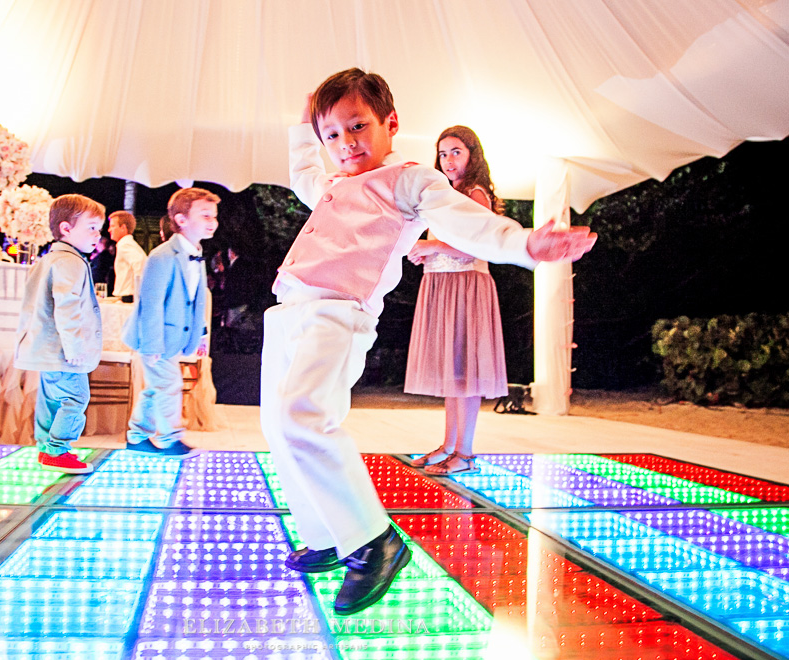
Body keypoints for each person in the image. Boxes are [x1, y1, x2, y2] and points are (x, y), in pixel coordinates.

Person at [262, 68, 596, 616]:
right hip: (289, 313)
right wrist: (304, 129)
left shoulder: (411, 181)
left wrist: (527, 244)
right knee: (278, 426)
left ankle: (374, 541)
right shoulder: (331, 184)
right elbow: (304, 171)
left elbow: (468, 223)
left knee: (304, 418)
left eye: (358, 126)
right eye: (333, 135)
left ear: (391, 123)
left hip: (337, 313)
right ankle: (326, 533)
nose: (346, 144)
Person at [405, 126, 507, 476]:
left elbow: (478, 245)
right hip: (443, 283)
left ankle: (464, 453)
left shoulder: (475, 193)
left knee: (465, 371)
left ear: (472, 154)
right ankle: (448, 445)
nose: (448, 160)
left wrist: (430, 247)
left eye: (456, 152)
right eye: (443, 153)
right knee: (453, 371)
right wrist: (426, 254)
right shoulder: (448, 193)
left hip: (465, 285)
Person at [121, 188, 218, 458]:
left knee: (156, 388)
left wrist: (199, 336)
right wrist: (152, 344)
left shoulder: (196, 255)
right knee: (169, 385)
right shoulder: (162, 256)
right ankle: (168, 439)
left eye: (214, 216)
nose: (213, 221)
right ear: (181, 219)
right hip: (157, 338)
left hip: (175, 337)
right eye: (205, 215)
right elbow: (150, 304)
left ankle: (138, 436)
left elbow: (196, 301)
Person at [14, 194, 105, 474]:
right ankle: (57, 450)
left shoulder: (50, 258)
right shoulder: (71, 262)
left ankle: (45, 447)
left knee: (51, 398)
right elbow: (67, 307)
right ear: (66, 229)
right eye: (91, 227)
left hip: (47, 349)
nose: (97, 234)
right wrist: (75, 347)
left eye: (99, 227)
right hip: (64, 350)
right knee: (75, 398)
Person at [109, 210, 147, 303]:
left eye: (113, 226)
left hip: (128, 297)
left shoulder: (125, 244)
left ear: (123, 227)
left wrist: (139, 291)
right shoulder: (128, 243)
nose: (109, 229)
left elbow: (140, 263)